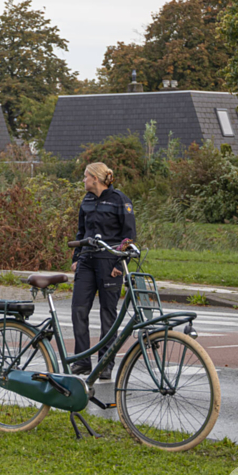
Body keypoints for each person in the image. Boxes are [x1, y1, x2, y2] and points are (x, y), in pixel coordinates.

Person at [70, 162, 137, 378]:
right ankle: (82, 361)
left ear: (95, 179)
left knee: (108, 315)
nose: (83, 180)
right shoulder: (86, 201)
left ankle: (105, 363)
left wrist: (119, 263)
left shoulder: (120, 200)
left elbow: (128, 236)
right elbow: (81, 232)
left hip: (110, 264)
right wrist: (76, 258)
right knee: (78, 310)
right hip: (87, 261)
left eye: (85, 176)